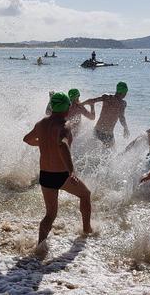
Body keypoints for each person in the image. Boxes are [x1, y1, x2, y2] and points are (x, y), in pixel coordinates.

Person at [23, 92, 92, 253]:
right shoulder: (64, 125)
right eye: (68, 105)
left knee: (50, 214)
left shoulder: (41, 124)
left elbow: (27, 139)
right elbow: (62, 145)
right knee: (85, 194)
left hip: (45, 175)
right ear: (65, 107)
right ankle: (87, 230)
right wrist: (71, 171)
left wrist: (44, 143)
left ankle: (40, 247)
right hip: (61, 175)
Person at [83, 82, 130, 147]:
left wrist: (81, 104)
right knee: (111, 155)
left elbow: (92, 100)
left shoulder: (106, 97)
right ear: (124, 92)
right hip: (108, 135)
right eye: (126, 93)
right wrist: (125, 128)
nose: (126, 95)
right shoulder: (122, 103)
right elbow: (121, 117)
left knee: (92, 151)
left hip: (97, 131)